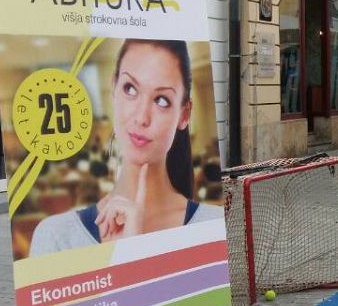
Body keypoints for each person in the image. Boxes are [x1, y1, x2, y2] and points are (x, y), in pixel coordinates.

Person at [30, 40, 222, 255]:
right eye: (130, 88)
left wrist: (132, 256)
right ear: (113, 87)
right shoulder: (57, 237)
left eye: (161, 100)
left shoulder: (214, 226)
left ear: (184, 114)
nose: (141, 118)